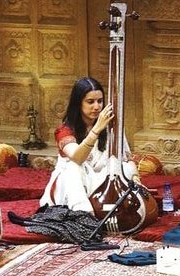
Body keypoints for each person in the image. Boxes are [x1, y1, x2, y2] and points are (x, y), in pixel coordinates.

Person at [39, 77, 140, 213]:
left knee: (123, 167)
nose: (97, 107)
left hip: (99, 183)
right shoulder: (64, 131)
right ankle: (85, 215)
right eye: (90, 102)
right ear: (78, 104)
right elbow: (77, 158)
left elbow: (127, 159)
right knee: (73, 167)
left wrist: (135, 178)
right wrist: (96, 129)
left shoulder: (111, 127)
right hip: (71, 186)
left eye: (100, 101)